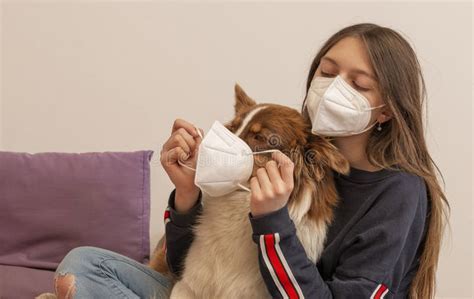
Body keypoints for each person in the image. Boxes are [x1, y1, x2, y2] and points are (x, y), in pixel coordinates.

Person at [53, 23, 449, 299]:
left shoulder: (399, 193)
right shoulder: (280, 153)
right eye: (327, 73)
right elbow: (185, 269)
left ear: (386, 111)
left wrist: (272, 221)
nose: (333, 90)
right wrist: (189, 193)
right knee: (85, 266)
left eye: (358, 84)